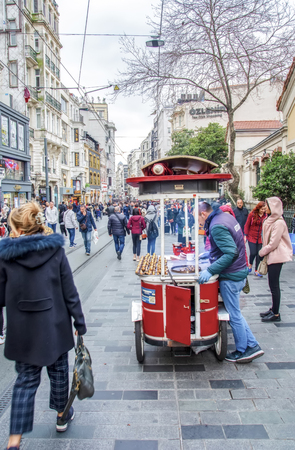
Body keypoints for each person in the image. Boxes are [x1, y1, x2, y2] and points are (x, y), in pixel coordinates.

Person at [0, 201, 86, 450]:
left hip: (23, 330)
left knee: (25, 381)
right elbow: (70, 290)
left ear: (17, 230)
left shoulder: (6, 256)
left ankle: (14, 440)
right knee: (59, 372)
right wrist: (79, 321)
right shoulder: (55, 251)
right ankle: (62, 416)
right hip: (55, 324)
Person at [198, 202, 264, 363]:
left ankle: (244, 350)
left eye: (197, 217)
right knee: (236, 312)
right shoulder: (225, 217)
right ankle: (252, 345)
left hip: (231, 275)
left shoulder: (216, 226)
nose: (198, 222)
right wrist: (210, 254)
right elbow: (232, 245)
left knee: (234, 315)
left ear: (203, 214)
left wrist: (211, 270)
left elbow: (231, 253)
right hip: (239, 271)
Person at [259, 197, 293, 322]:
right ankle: (273, 309)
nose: (265, 208)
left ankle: (276, 314)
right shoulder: (270, 220)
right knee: (272, 284)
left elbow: (273, 243)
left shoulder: (279, 222)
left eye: (267, 206)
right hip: (272, 255)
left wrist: (262, 252)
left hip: (277, 256)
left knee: (274, 285)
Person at [244, 201, 267, 276]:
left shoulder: (265, 216)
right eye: (262, 209)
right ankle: (250, 264)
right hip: (252, 236)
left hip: (260, 237)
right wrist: (245, 235)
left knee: (259, 254)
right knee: (253, 252)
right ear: (259, 208)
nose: (263, 211)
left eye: (264, 209)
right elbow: (247, 224)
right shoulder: (252, 214)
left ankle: (257, 270)